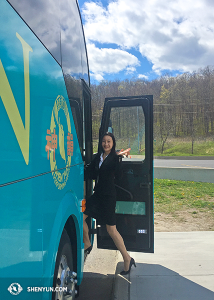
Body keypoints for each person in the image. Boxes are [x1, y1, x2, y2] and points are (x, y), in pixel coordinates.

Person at [83, 132, 136, 275]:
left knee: (111, 230)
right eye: (104, 141)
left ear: (113, 144)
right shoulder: (98, 157)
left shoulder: (114, 158)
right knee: (80, 216)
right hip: (97, 195)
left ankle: (127, 258)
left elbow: (118, 176)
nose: (106, 144)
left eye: (109, 142)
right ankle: (87, 244)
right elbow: (91, 173)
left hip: (108, 198)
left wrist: (118, 159)